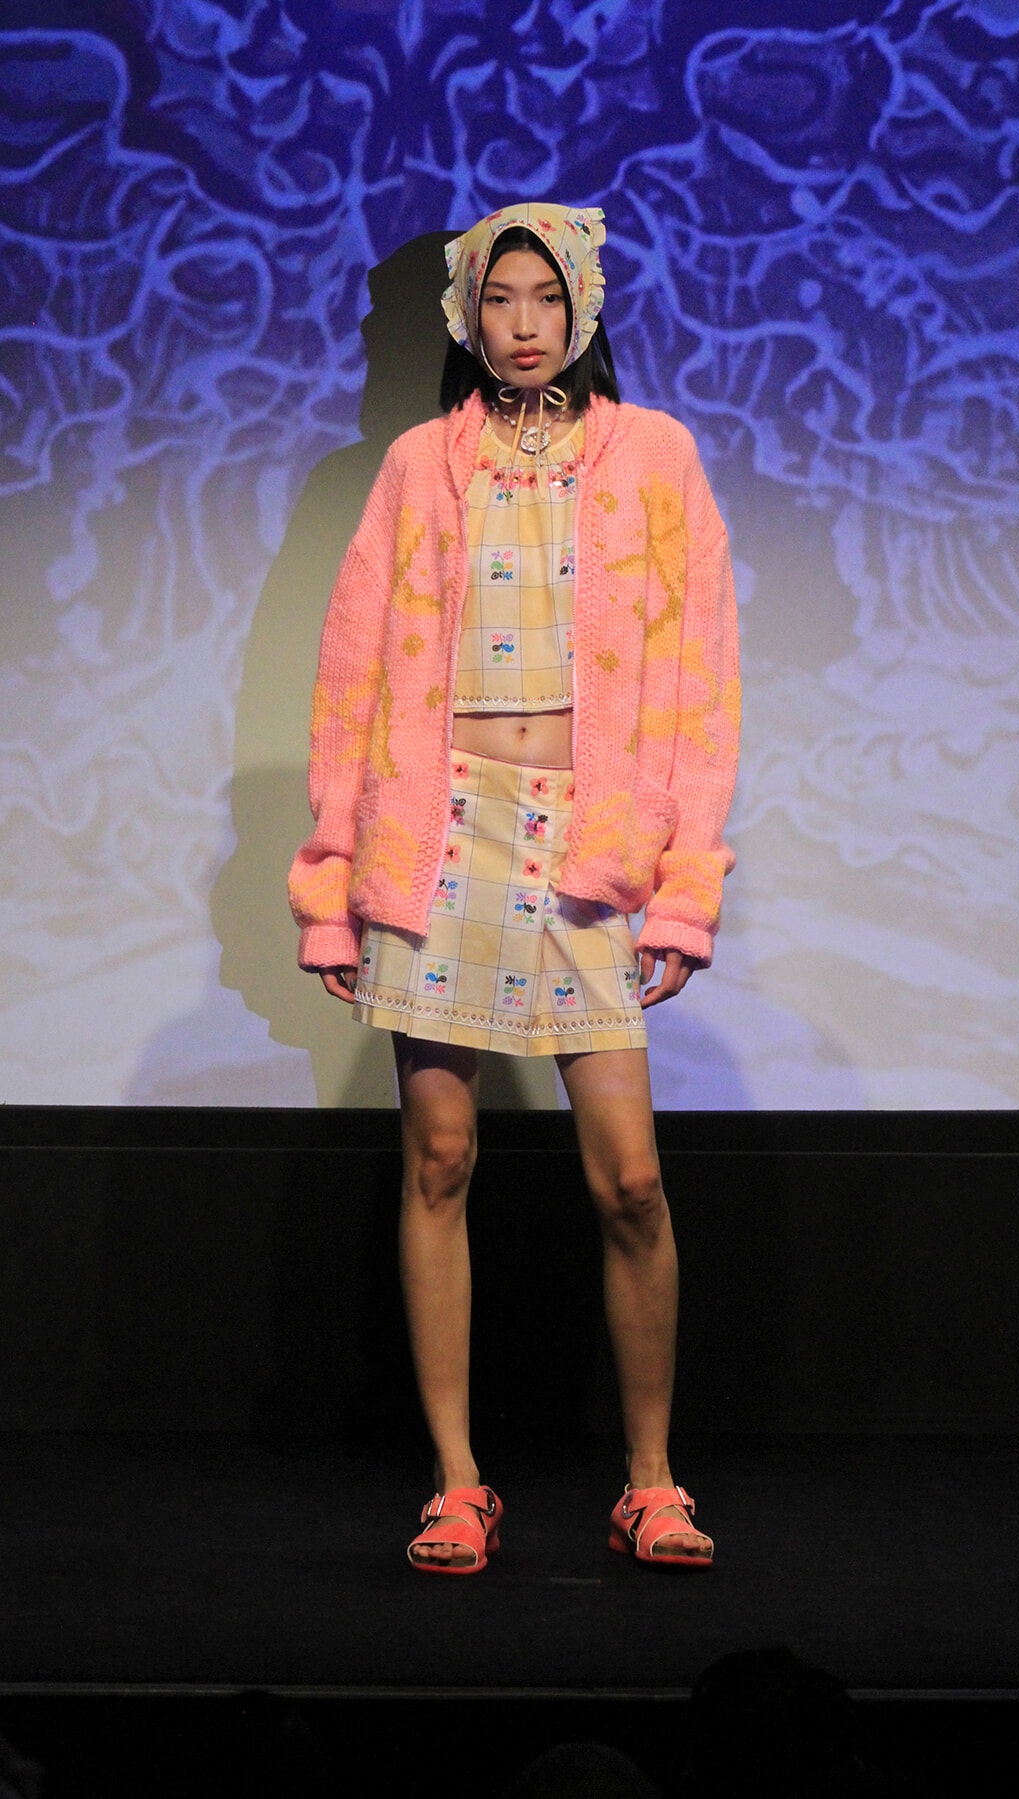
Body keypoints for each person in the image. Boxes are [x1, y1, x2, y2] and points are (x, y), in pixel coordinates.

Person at [288, 202, 740, 1573]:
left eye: (547, 296)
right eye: (501, 298)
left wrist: (685, 887)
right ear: (467, 316)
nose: (525, 323)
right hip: (446, 838)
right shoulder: (421, 464)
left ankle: (651, 1481)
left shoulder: (654, 454)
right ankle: (458, 1480)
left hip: (589, 844)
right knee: (439, 1157)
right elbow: (354, 675)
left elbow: (702, 683)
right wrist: (330, 882)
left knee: (633, 1180)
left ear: (583, 307)